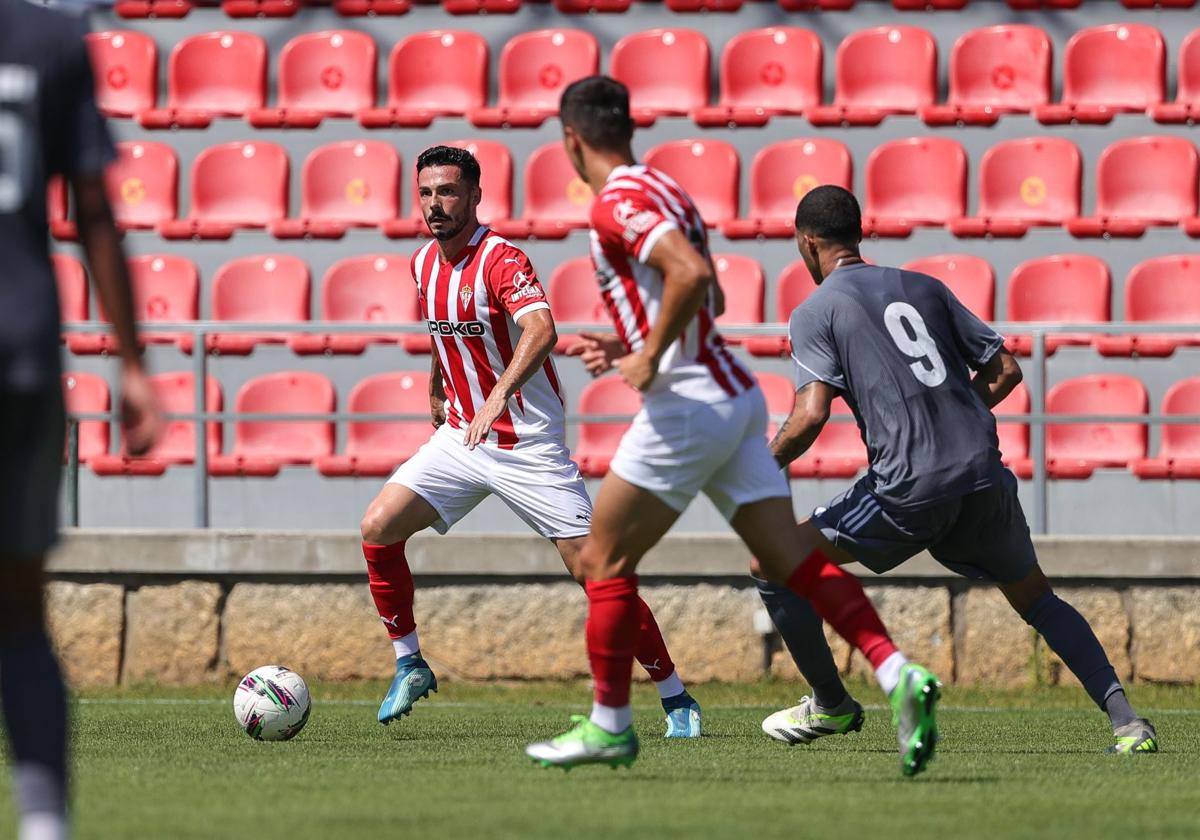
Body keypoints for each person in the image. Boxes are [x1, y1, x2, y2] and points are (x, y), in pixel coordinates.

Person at [526, 76, 941, 776]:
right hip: (737, 395)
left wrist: (650, 357)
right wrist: (635, 348)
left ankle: (609, 726)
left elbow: (688, 277)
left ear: (571, 139)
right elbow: (708, 287)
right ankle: (898, 673)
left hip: (686, 405)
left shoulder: (615, 203)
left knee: (600, 561)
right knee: (795, 561)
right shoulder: (668, 190)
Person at [764, 184, 1156, 755]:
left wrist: (763, 462)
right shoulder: (923, 285)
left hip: (909, 485)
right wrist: (956, 414)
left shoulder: (815, 311)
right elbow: (1005, 371)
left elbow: (810, 414)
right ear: (859, 234)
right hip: (979, 471)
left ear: (807, 243)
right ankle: (1127, 721)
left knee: (771, 563)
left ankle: (833, 705)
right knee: (1038, 599)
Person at [358, 146, 701, 737]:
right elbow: (447, 337)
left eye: (447, 192)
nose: (435, 204)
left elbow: (542, 330)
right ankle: (410, 662)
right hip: (463, 436)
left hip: (526, 444)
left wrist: (497, 398)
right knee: (378, 526)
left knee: (595, 571)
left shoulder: (501, 259)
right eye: (426, 193)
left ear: (474, 196)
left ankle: (675, 696)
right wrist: (439, 389)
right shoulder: (422, 264)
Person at [0, 4, 163, 839]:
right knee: (20, 609)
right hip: (22, 350)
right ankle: (43, 822)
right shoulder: (52, 39)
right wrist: (132, 365)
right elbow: (94, 209)